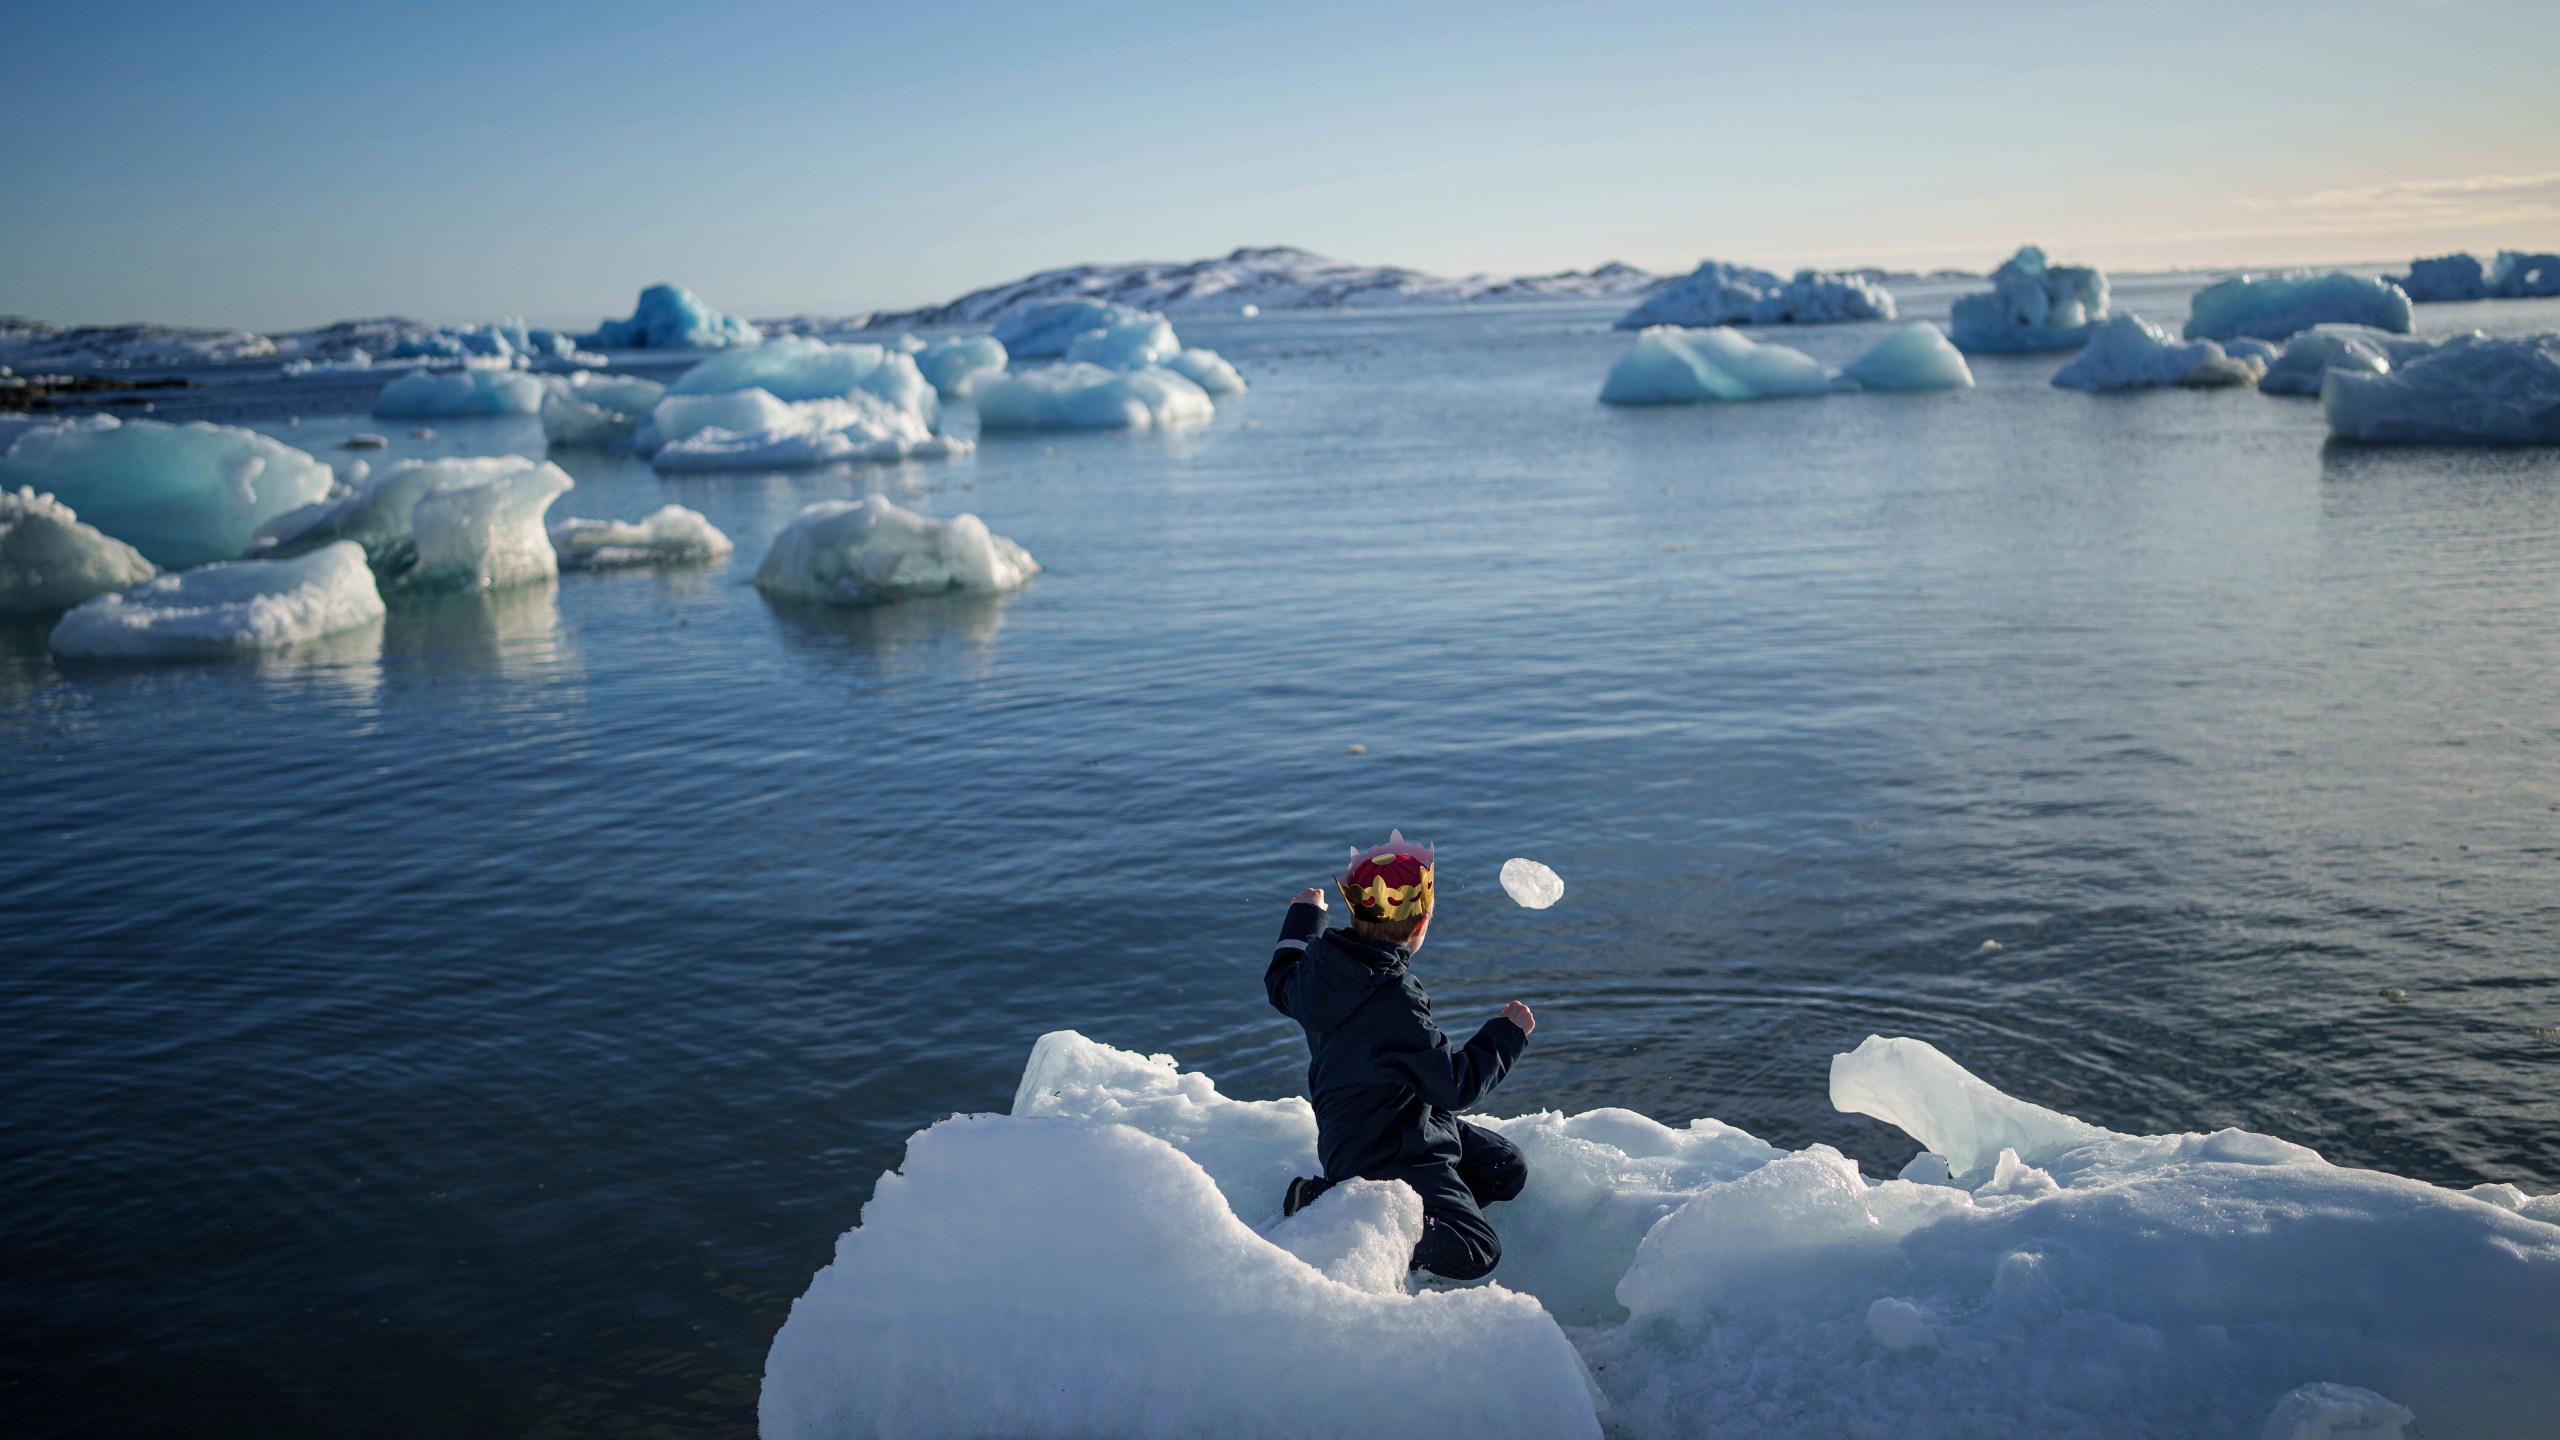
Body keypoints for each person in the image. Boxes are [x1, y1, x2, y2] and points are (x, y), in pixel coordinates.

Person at [1263, 831, 1537, 1281]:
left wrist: (1304, 916)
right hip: (1386, 1152)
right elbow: (1455, 1086)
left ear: (1354, 911)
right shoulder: (1395, 1001)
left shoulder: (1319, 974)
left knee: (1505, 1169)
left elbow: (1280, 979)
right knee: (1477, 1251)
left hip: (1399, 1122)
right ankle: (1327, 1202)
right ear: (1420, 924)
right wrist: (1507, 1035)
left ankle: (1426, 1205)